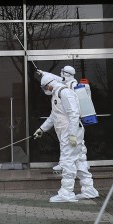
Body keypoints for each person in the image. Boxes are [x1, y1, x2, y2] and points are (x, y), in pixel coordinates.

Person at [32, 71, 98, 203]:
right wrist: (41, 129)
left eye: (45, 87)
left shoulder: (65, 93)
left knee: (67, 161)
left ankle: (66, 193)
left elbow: (74, 114)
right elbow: (53, 116)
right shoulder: (57, 94)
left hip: (70, 133)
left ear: (49, 85)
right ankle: (89, 189)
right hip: (69, 133)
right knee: (79, 160)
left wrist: (72, 134)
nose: (45, 90)